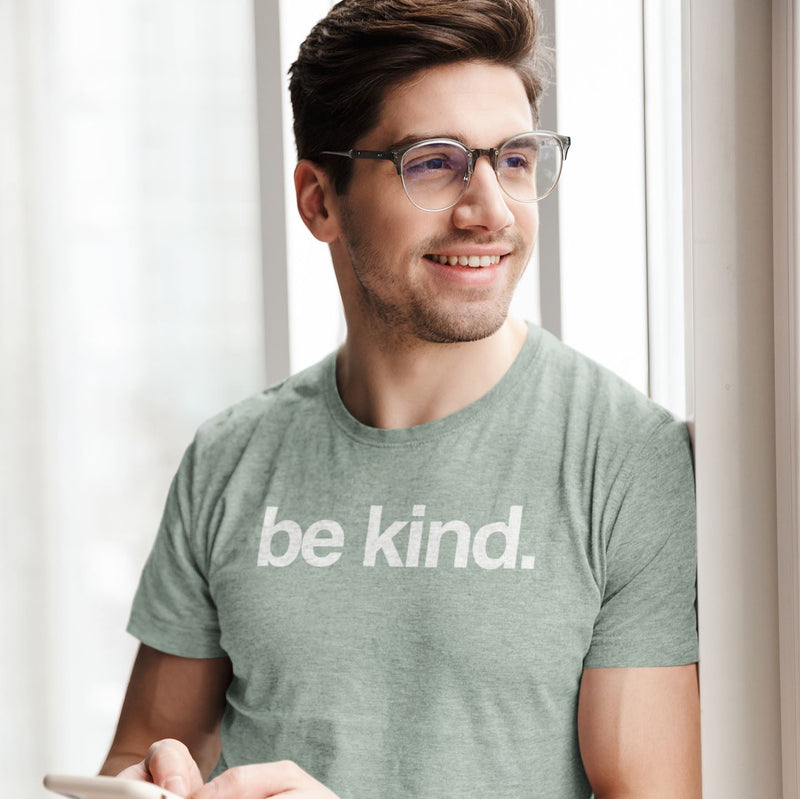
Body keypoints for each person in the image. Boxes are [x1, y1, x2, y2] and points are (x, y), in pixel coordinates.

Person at [100, 1, 701, 796]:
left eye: (515, 160)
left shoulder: (626, 459)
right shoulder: (230, 459)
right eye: (434, 162)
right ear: (320, 200)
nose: (491, 209)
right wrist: (156, 778)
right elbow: (138, 753)